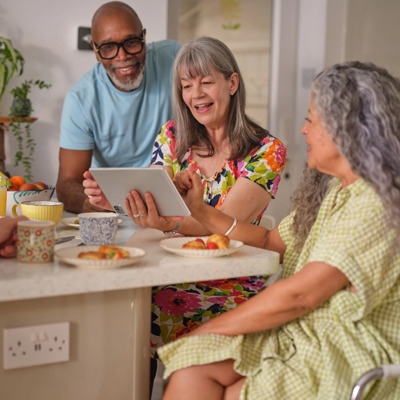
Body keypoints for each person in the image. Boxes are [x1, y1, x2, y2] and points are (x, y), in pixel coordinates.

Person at [157, 61, 400, 400]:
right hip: (307, 331)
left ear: (346, 128)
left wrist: (206, 330)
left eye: (311, 120)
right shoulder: (333, 190)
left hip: (346, 350)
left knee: (214, 375)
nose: (303, 130)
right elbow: (271, 241)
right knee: (192, 367)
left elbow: (300, 296)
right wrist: (199, 210)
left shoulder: (376, 203)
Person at [83, 36, 286, 368]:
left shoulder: (267, 150)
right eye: (187, 85)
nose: (196, 94)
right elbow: (154, 198)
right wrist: (118, 199)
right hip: (166, 270)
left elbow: (222, 223)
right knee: (114, 308)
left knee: (137, 316)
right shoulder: (172, 136)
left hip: (228, 280)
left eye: (206, 82)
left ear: (232, 83)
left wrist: (167, 222)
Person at [56, 1, 181, 213]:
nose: (122, 57)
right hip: (115, 204)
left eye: (131, 42)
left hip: (176, 194)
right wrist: (92, 204)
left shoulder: (175, 59)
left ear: (143, 37)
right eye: (108, 48)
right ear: (95, 51)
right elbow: (67, 183)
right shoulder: (81, 99)